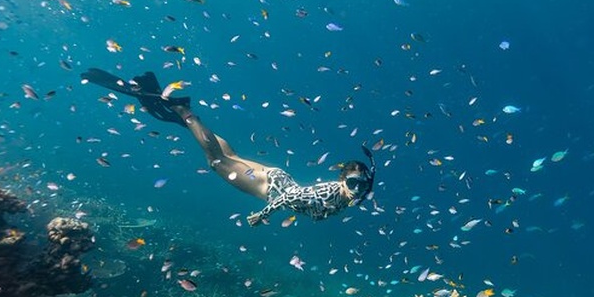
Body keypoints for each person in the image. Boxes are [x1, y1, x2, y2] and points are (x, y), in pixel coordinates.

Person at [81, 68, 375, 226]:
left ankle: (187, 120)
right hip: (269, 187)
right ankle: (185, 113)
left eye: (362, 184)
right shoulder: (330, 191)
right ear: (341, 179)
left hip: (274, 179)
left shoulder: (352, 195)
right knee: (216, 160)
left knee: (228, 155)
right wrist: (264, 215)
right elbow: (292, 196)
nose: (358, 189)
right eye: (353, 182)